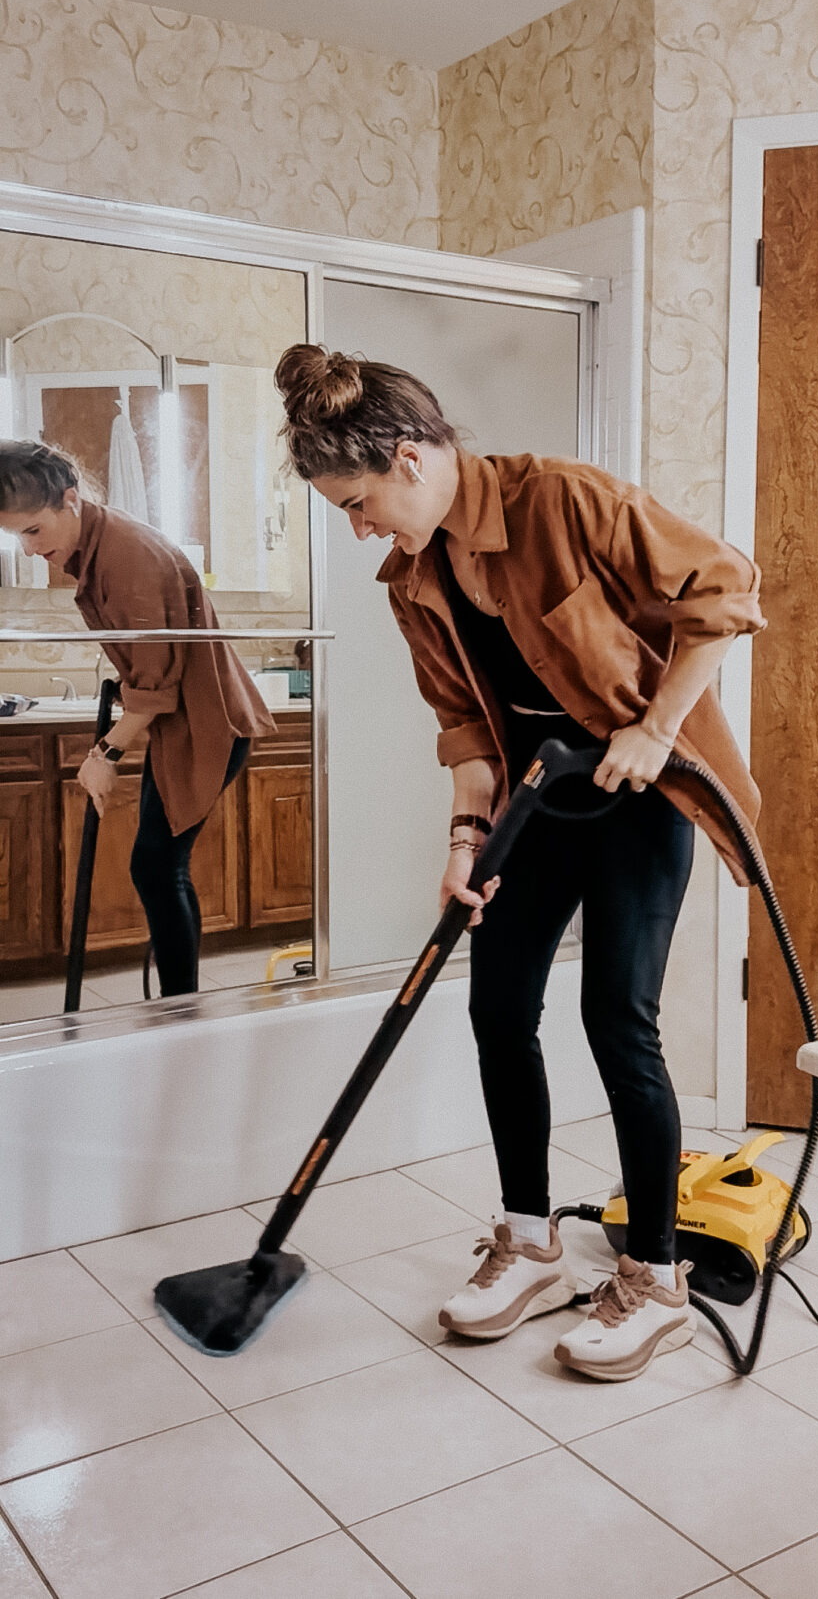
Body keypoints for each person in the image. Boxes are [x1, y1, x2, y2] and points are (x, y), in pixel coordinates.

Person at [274, 345, 765, 1382]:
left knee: (616, 1022)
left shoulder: (565, 503)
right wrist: (462, 841)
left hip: (635, 797)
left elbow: (724, 588)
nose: (359, 528)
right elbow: (460, 722)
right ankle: (530, 1236)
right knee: (498, 1009)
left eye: (359, 503)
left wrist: (656, 728)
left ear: (411, 460)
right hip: (535, 801)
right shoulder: (412, 578)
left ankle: (658, 1277)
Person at [0, 439, 275, 997]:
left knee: (156, 867)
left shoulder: (125, 557)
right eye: (15, 537)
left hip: (206, 726)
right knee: (159, 866)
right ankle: (182, 1003)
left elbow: (157, 687)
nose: (29, 550)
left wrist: (105, 754)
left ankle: (181, 1010)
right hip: (187, 726)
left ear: (70, 500)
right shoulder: (101, 546)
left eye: (33, 531)